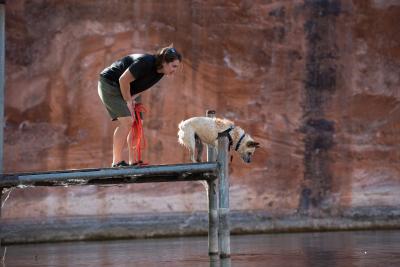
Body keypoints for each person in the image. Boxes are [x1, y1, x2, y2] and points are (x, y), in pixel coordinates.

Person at [98, 46, 182, 167]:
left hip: (128, 89)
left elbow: (141, 87)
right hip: (110, 83)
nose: (175, 70)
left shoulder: (160, 72)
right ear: (164, 62)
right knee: (127, 122)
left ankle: (134, 161)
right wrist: (127, 101)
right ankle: (116, 162)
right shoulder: (145, 62)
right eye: (174, 66)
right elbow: (123, 80)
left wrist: (131, 100)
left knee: (138, 123)